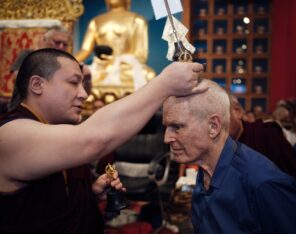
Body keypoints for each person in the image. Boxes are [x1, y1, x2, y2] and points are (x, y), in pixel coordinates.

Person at [0, 48, 206, 233]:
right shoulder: (11, 133)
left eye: (82, 84)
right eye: (73, 83)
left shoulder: (56, 129)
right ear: (37, 85)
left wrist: (90, 195)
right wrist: (164, 84)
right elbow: (92, 141)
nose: (84, 94)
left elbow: (48, 206)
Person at [162, 79, 296, 234]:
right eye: (166, 127)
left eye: (177, 127)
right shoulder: (205, 170)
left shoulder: (263, 184)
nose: (166, 138)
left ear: (213, 126)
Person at [75, 0, 155, 91]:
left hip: (124, 69)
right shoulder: (96, 21)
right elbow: (85, 50)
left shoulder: (137, 20)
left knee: (148, 75)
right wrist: (70, 63)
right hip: (100, 68)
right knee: (80, 74)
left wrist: (116, 60)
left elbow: (141, 55)